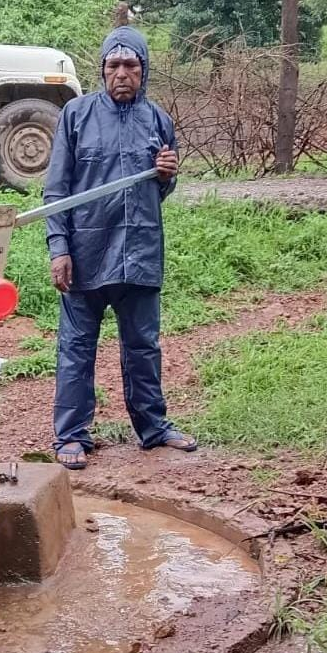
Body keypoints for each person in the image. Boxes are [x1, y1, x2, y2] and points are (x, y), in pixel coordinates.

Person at [44, 25, 197, 470]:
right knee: (76, 347)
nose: (123, 74)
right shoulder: (76, 115)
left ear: (144, 71)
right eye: (114, 66)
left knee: (144, 345)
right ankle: (71, 434)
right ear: (103, 70)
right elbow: (56, 191)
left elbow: (159, 191)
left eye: (132, 66)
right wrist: (59, 248)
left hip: (141, 251)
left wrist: (167, 176)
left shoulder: (158, 120)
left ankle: (153, 428)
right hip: (87, 253)